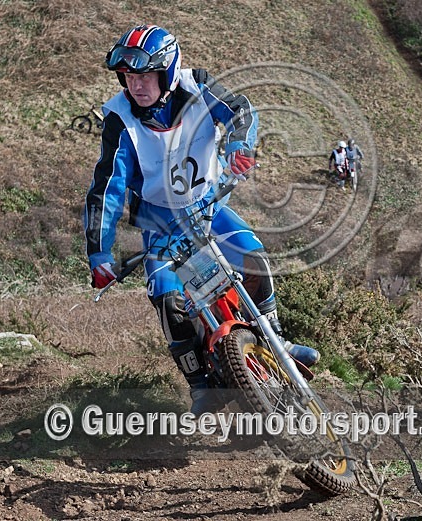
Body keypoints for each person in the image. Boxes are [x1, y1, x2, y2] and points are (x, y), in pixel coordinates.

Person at [82, 24, 319, 415]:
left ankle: (277, 339)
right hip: (160, 224)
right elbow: (106, 189)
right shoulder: (118, 121)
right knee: (167, 295)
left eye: (144, 75)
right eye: (128, 76)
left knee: (252, 255)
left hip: (207, 205)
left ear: (168, 72)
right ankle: (199, 386)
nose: (136, 85)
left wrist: (241, 144)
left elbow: (241, 110)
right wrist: (99, 254)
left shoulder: (199, 87)